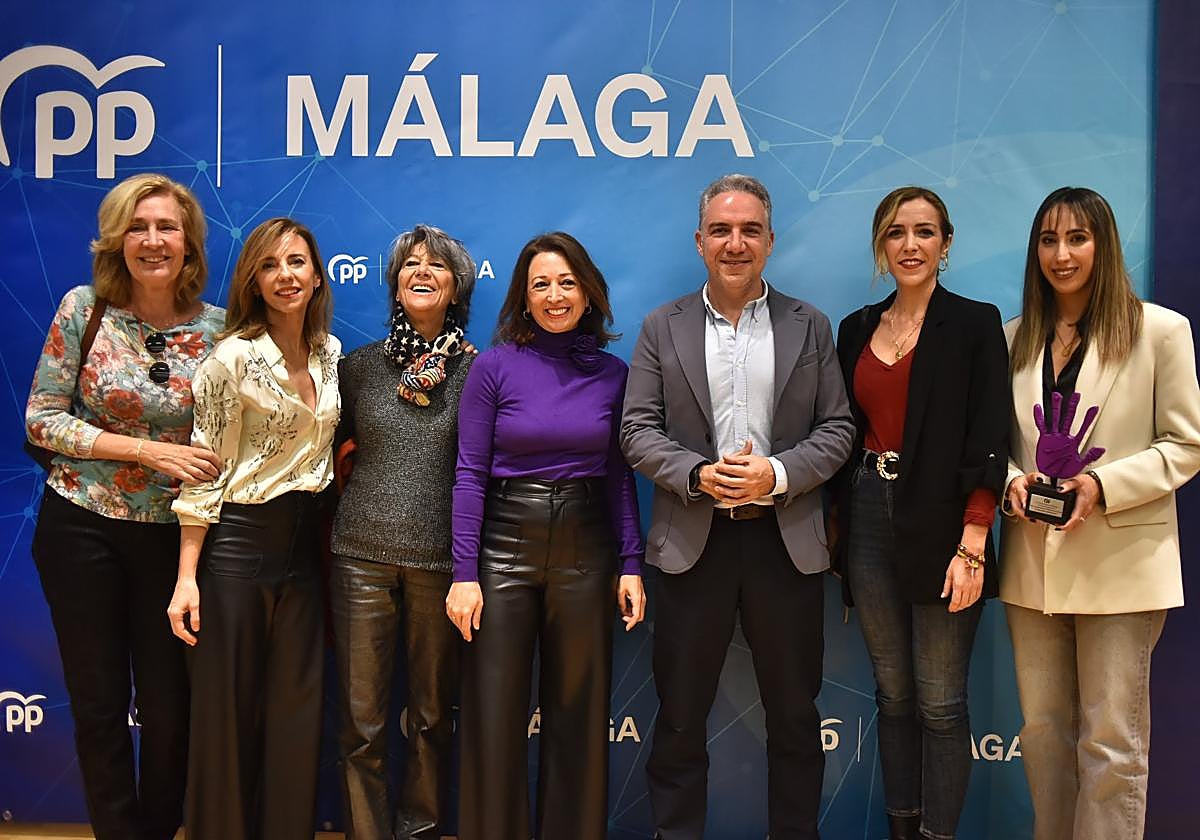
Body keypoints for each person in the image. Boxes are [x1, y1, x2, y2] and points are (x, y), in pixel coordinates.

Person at [621, 173, 854, 840]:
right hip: (694, 544)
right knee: (679, 718)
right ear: (699, 242)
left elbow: (837, 430)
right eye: (721, 230)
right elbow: (636, 430)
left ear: (771, 241)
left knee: (793, 717)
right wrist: (698, 475)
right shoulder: (661, 327)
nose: (735, 242)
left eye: (750, 229)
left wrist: (776, 474)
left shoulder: (809, 325)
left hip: (784, 542)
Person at [25, 173, 224, 840]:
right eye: (137, 227)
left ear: (189, 243)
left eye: (166, 227)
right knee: (100, 704)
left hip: (175, 544)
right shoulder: (85, 311)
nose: (153, 240)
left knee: (172, 711)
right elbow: (42, 421)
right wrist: (148, 451)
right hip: (81, 527)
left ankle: (161, 829)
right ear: (116, 241)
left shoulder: (220, 332)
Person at [1001, 187, 1200, 840]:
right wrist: (1011, 484)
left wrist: (1100, 485)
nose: (1062, 254)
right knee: (1044, 735)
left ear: (1104, 245)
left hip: (1122, 566)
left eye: (1078, 238)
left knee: (1112, 744)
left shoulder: (1161, 332)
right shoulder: (1011, 340)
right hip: (1035, 570)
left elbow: (1185, 444)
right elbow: (991, 448)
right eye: (1049, 240)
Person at [446, 231, 646, 840]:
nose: (555, 295)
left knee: (579, 719)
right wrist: (463, 574)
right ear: (523, 297)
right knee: (493, 717)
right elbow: (470, 473)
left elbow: (619, 476)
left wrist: (632, 562)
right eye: (541, 285)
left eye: (567, 282)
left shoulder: (616, 375)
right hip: (503, 548)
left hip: (588, 551)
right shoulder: (493, 366)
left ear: (588, 291)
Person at [832, 186, 1008, 840]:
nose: (910, 245)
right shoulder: (855, 328)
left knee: (939, 703)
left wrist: (973, 543)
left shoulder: (973, 323)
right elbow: (843, 431)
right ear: (882, 243)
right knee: (894, 698)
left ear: (946, 244)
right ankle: (903, 828)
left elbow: (990, 436)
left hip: (945, 527)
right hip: (868, 519)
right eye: (897, 232)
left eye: (925, 232)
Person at [167, 217, 339, 840]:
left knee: (296, 719)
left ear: (317, 275)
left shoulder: (329, 353)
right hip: (238, 546)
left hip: (304, 550)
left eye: (296, 262)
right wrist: (188, 578)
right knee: (227, 724)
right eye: (270, 266)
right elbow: (205, 471)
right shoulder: (230, 359)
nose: (285, 276)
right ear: (253, 281)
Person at [330, 224, 476, 839]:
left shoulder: (480, 372)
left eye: (437, 266)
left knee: (430, 718)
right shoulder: (357, 368)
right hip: (358, 558)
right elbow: (330, 457)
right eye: (411, 264)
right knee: (363, 723)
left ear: (457, 287)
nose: (422, 272)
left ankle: (419, 830)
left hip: (440, 566)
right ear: (393, 283)